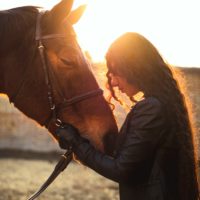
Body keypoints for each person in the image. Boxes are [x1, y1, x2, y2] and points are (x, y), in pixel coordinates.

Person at [56, 32, 199, 200]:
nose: (114, 83)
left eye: (116, 72)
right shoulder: (161, 104)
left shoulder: (152, 108)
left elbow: (121, 169)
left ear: (134, 67)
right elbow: (130, 159)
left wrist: (76, 142)